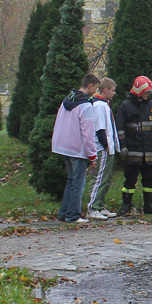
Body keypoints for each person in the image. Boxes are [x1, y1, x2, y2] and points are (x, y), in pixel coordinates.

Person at [51, 73, 100, 224]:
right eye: (96, 88)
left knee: (71, 180)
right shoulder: (85, 106)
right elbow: (88, 133)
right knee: (78, 183)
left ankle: (64, 212)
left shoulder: (67, 100)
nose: (95, 92)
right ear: (90, 86)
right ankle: (73, 215)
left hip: (64, 145)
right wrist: (92, 155)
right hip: (78, 148)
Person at [116, 75, 152, 215]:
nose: (149, 94)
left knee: (149, 180)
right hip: (133, 150)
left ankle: (149, 205)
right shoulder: (125, 106)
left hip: (150, 151)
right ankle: (126, 205)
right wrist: (123, 145)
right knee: (130, 180)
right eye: (147, 91)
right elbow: (119, 128)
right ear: (139, 90)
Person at [86, 77, 121, 220]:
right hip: (102, 148)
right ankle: (92, 207)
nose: (114, 93)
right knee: (99, 177)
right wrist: (106, 145)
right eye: (112, 91)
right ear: (105, 90)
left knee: (106, 178)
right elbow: (100, 128)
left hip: (109, 148)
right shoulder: (99, 106)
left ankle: (100, 205)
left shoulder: (105, 105)